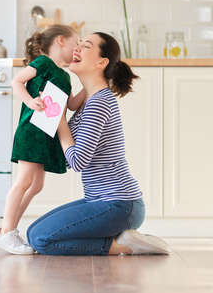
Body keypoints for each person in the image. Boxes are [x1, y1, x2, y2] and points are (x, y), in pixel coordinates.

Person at [26, 32, 171, 255]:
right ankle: (119, 236)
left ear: (101, 62)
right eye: (79, 44)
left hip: (118, 204)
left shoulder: (99, 103)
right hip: (101, 200)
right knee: (33, 232)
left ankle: (123, 246)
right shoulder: (89, 100)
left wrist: (60, 120)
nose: (77, 48)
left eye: (86, 46)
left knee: (40, 239)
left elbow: (77, 161)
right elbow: (67, 155)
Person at [0, 25, 86, 255]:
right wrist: (30, 101)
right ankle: (7, 233)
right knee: (24, 181)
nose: (79, 48)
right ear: (61, 41)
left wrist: (90, 85)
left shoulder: (65, 75)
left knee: (37, 185)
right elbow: (17, 82)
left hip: (47, 136)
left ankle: (7, 228)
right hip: (32, 132)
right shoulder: (42, 63)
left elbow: (71, 105)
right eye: (77, 42)